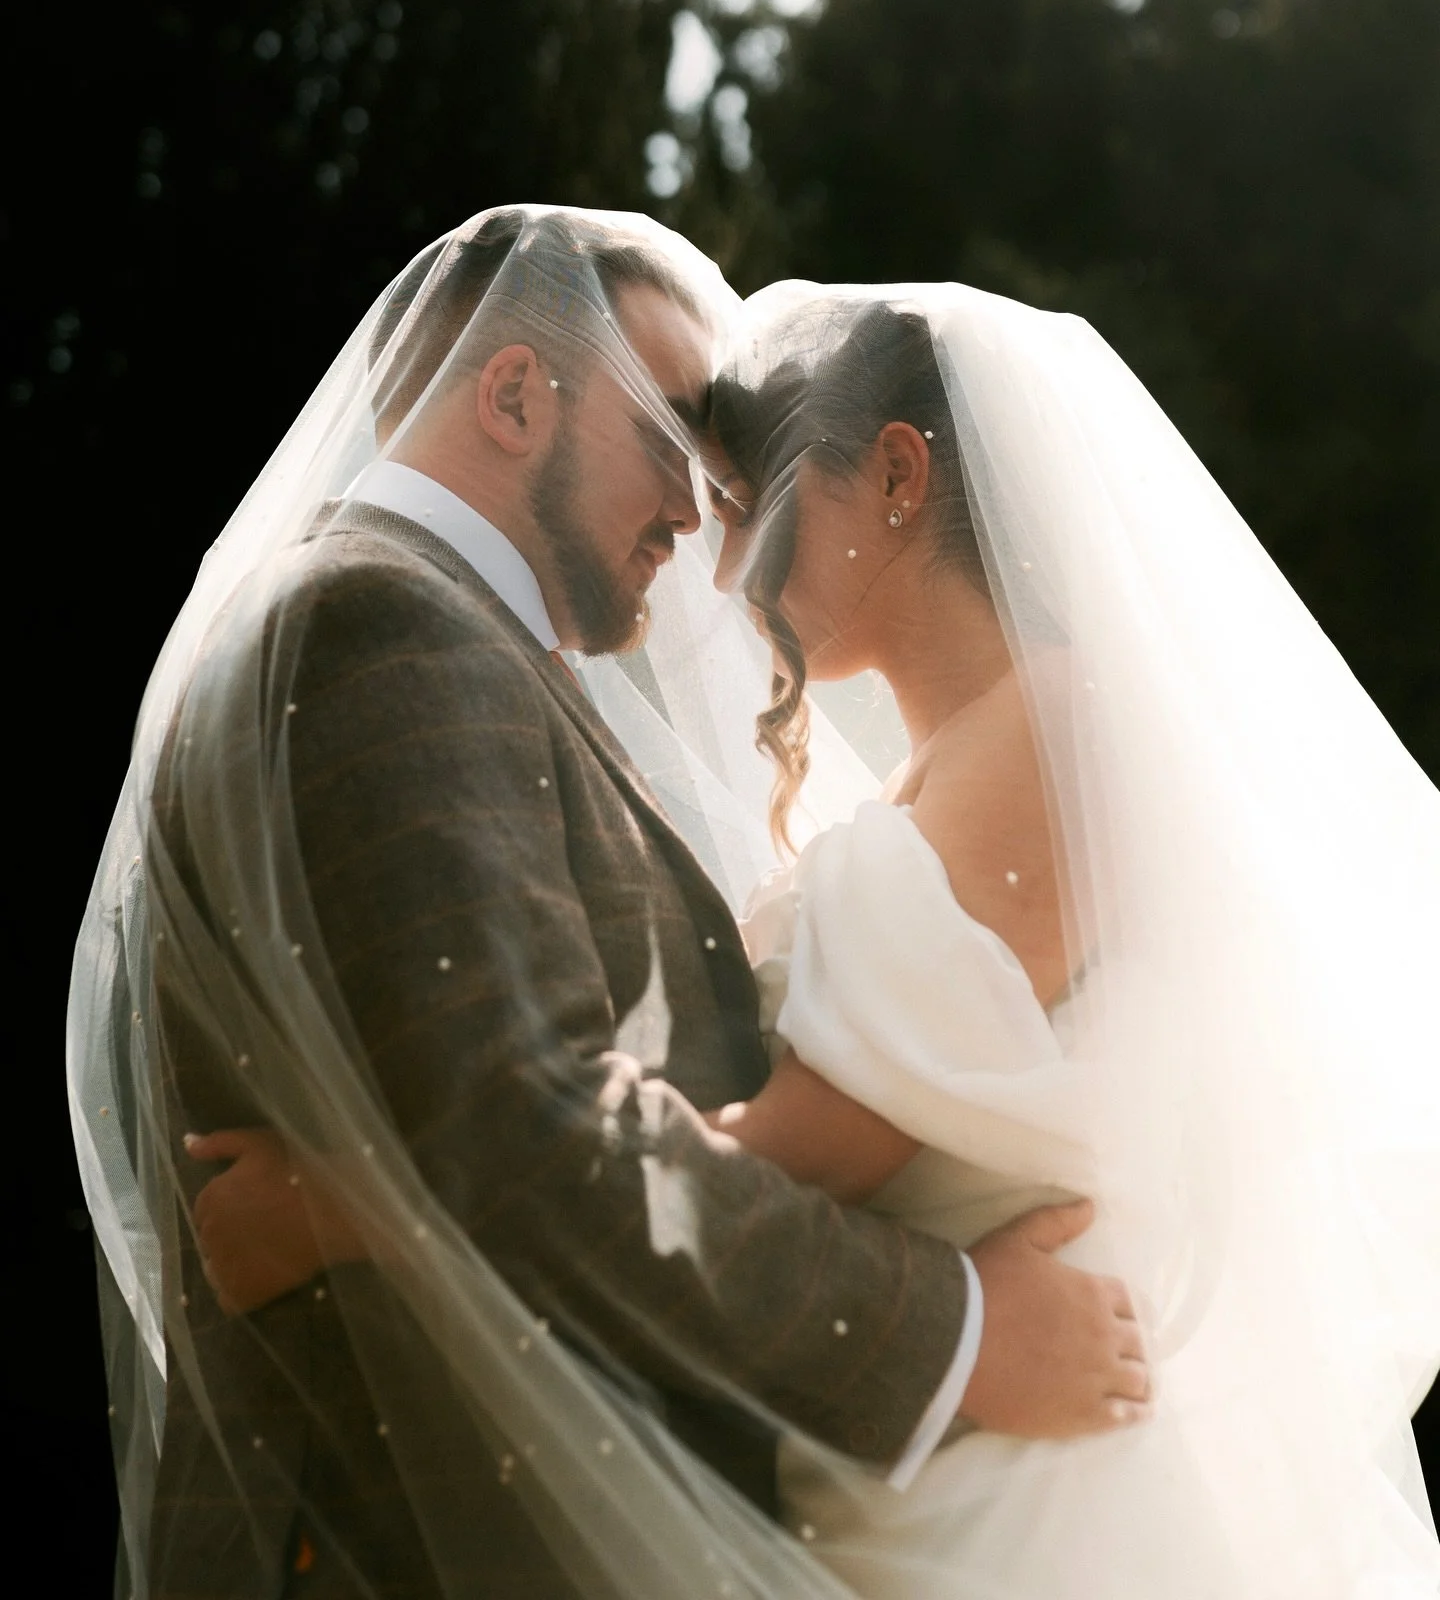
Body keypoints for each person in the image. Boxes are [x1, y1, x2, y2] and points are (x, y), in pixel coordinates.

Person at [193, 276, 1440, 1596]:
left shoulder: (1053, 741)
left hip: (1029, 1504)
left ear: (896, 476)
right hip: (916, 1471)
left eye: (748, 507)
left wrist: (353, 1204)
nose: (724, 570)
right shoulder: (945, 768)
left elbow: (805, 1154)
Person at [68, 216, 1145, 1600]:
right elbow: (529, 1133)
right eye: (672, 437)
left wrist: (355, 1205)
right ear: (516, 396)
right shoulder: (382, 628)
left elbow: (524, 1120)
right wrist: (957, 1333)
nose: (703, 516)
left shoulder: (432, 634)